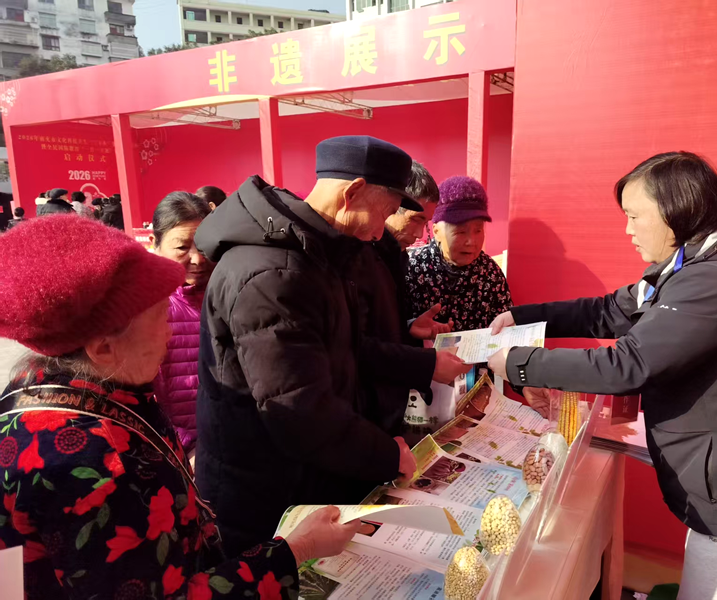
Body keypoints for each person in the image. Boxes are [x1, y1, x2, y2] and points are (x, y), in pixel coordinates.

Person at [488, 152, 717, 600]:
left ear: (677, 211)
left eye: (635, 216)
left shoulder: (716, 282)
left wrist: (520, 362)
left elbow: (626, 366)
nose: (628, 230)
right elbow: (608, 311)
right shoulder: (688, 266)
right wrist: (524, 318)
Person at [0, 215, 359, 600]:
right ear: (103, 348)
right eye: (160, 317)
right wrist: (298, 549)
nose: (171, 332)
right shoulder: (98, 464)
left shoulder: (41, 388)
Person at [195, 136, 420, 556]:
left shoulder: (318, 256)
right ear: (352, 193)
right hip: (265, 494)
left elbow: (346, 351)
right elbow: (299, 409)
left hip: (303, 474)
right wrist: (386, 456)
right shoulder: (273, 273)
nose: (379, 233)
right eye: (385, 213)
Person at [352, 161, 470, 436]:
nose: (419, 234)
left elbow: (378, 328)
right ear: (389, 206)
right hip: (363, 413)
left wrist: (408, 328)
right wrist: (427, 364)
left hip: (390, 407)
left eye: (425, 223)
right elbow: (355, 345)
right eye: (415, 220)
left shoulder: (396, 256)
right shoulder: (357, 259)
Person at [150, 192, 214, 458]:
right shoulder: (147, 308)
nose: (197, 259)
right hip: (177, 454)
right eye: (182, 248)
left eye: (204, 246)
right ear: (155, 243)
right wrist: (186, 447)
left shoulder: (229, 295)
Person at [406, 176, 513, 331]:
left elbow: (505, 326)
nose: (471, 241)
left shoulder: (490, 272)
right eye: (461, 231)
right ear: (436, 231)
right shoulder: (413, 268)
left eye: (478, 230)